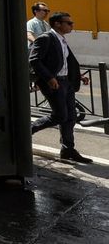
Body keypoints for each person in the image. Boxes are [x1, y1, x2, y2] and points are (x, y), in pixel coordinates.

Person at [30, 12, 92, 163]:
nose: (72, 25)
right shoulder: (46, 38)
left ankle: (68, 150)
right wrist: (49, 78)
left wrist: (78, 76)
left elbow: (67, 62)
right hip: (54, 83)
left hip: (66, 82)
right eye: (69, 23)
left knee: (71, 117)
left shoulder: (62, 39)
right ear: (57, 24)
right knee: (59, 116)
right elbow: (34, 60)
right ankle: (26, 131)